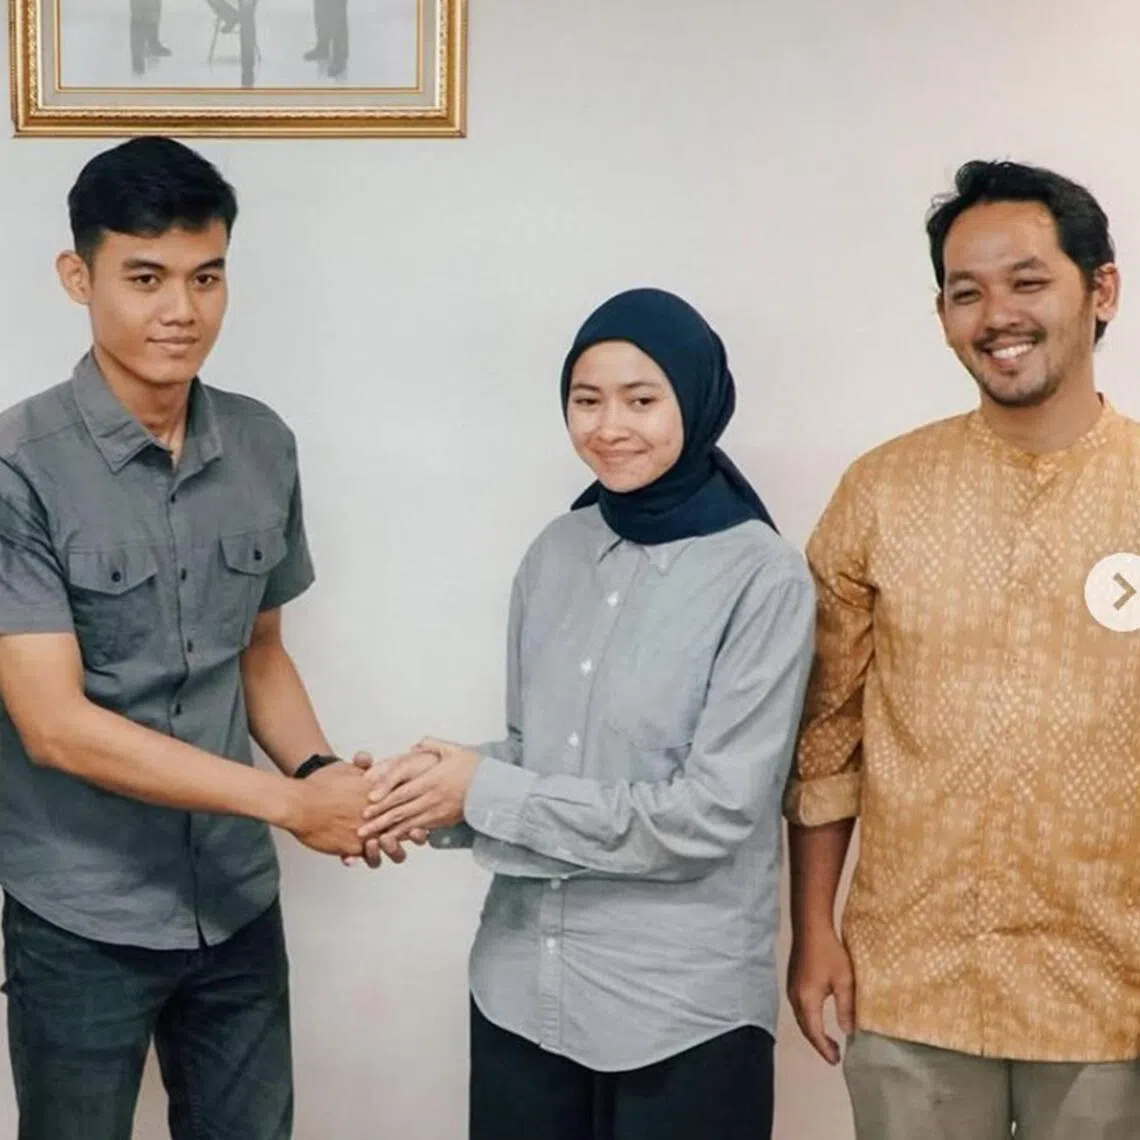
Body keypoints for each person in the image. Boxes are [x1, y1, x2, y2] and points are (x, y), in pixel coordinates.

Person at [364, 288, 816, 1140]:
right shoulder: (556, 550)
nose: (609, 426)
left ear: (698, 397)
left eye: (642, 400)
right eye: (586, 400)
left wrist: (482, 792)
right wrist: (421, 790)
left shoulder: (763, 577)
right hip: (520, 993)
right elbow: (542, 755)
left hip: (680, 1011)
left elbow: (711, 813)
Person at [0, 137, 383, 1140]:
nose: (181, 310)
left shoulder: (264, 445)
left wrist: (325, 774)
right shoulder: (16, 468)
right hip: (81, 913)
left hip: (236, 903)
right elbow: (55, 728)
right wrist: (289, 803)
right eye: (146, 277)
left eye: (205, 276)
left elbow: (258, 652)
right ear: (77, 277)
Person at [785, 160, 1140, 1139]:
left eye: (1029, 281)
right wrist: (814, 929)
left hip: (1115, 991)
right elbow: (827, 737)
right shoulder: (883, 492)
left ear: (1099, 289)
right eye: (964, 292)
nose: (997, 316)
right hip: (913, 983)